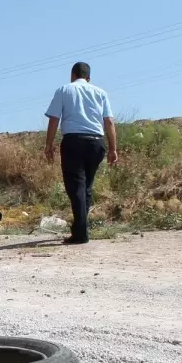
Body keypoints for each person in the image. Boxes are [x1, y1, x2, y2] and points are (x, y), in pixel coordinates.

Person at [43, 62, 119, 244]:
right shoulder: (101, 93)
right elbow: (108, 121)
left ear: (72, 74)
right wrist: (113, 148)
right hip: (96, 142)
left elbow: (54, 119)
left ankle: (81, 233)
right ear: (89, 78)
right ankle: (80, 228)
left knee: (75, 186)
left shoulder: (64, 90)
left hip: (74, 141)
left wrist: (49, 145)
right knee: (86, 187)